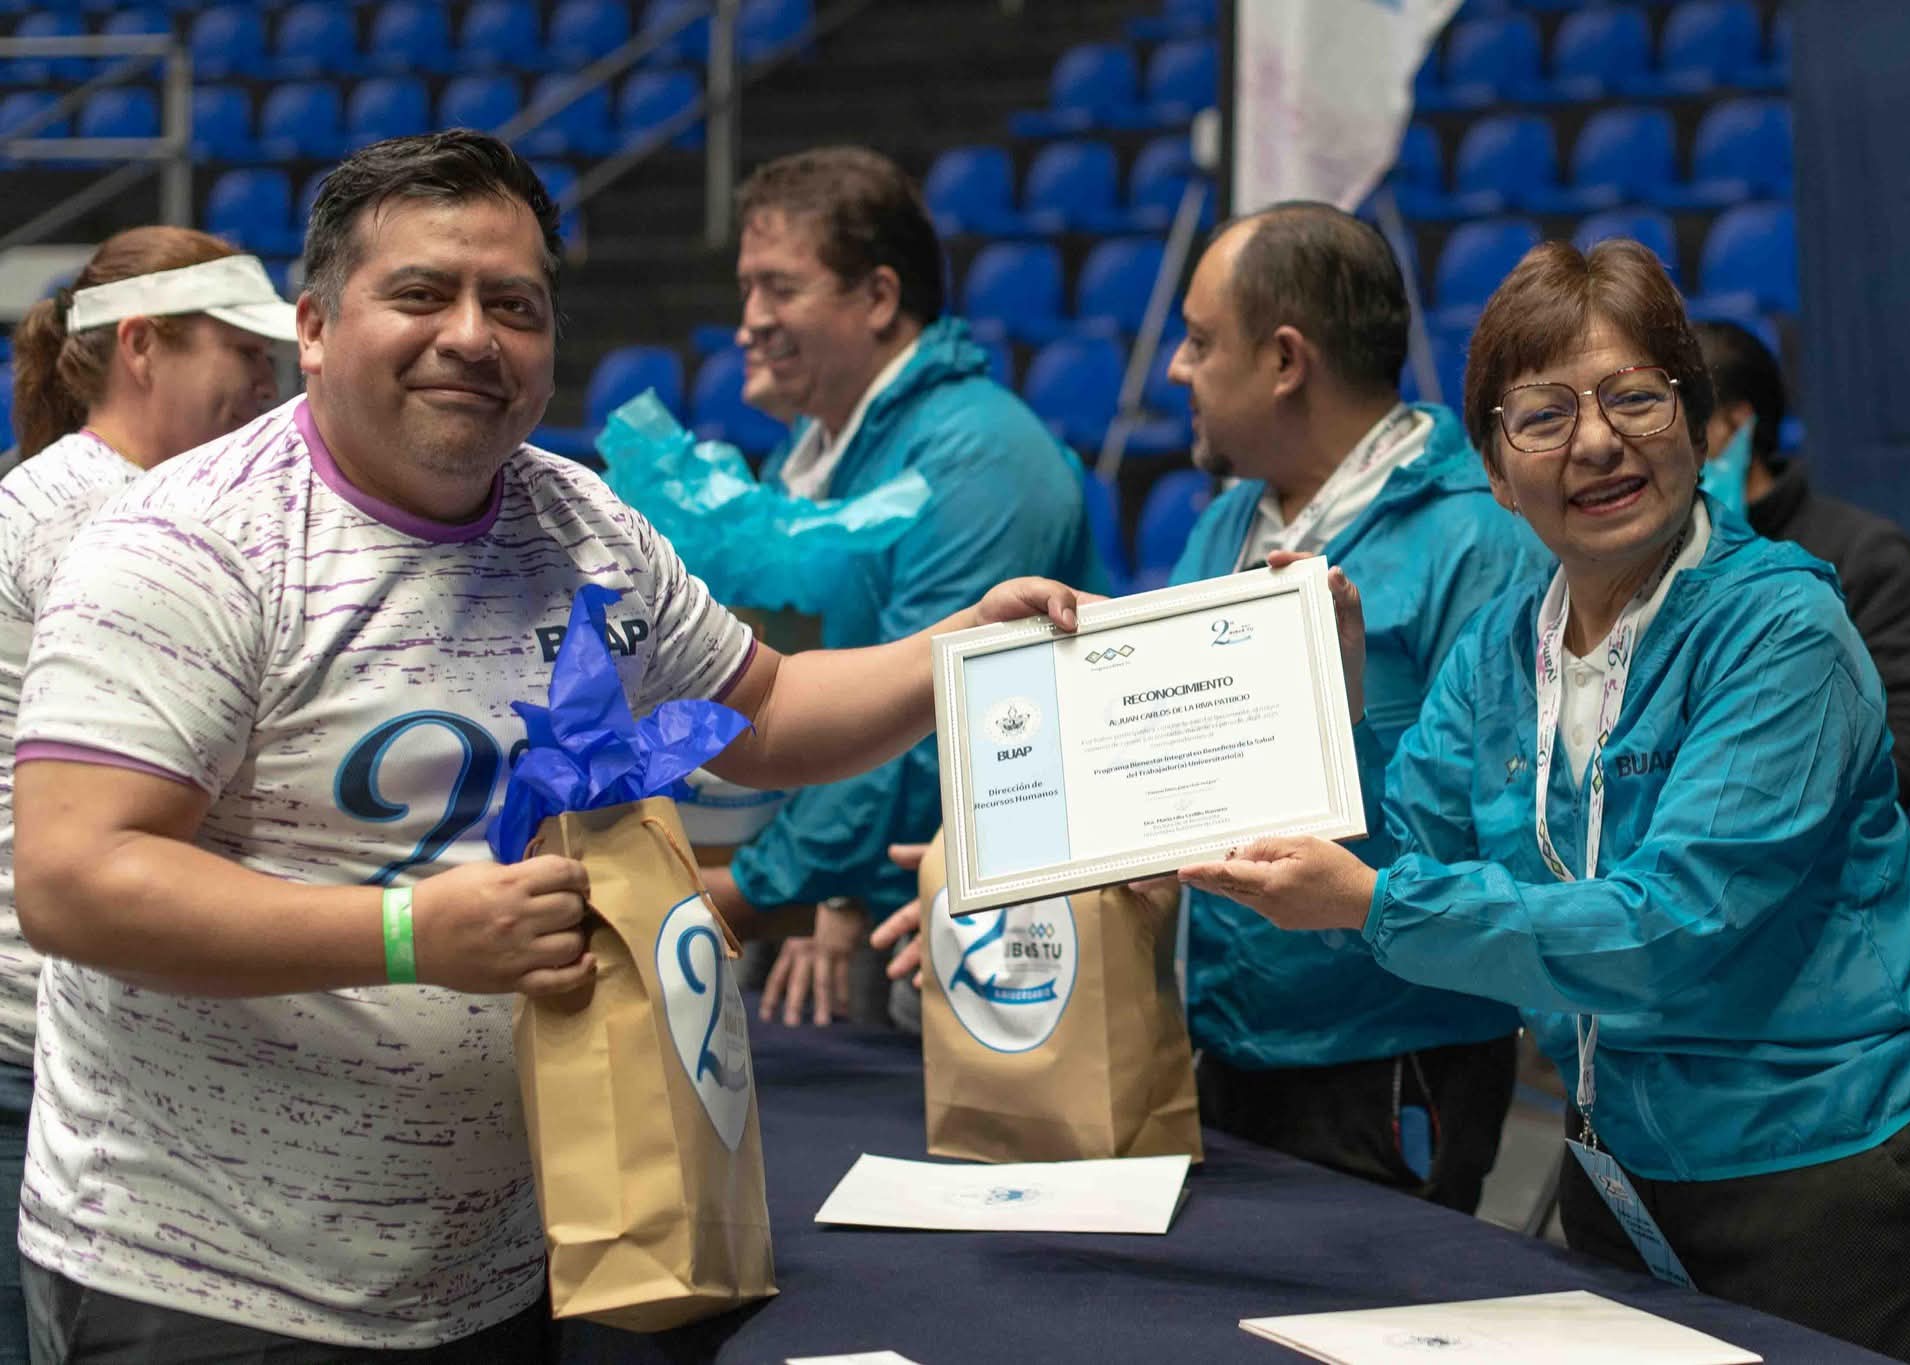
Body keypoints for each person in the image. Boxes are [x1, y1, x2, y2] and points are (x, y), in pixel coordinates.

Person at [8, 130, 1087, 1362]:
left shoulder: (581, 524)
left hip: (510, 1266)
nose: (472, 334)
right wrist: (413, 932)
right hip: (212, 1283)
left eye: (512, 304)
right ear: (312, 327)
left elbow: (769, 710)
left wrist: (958, 651)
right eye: (420, 292)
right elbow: (79, 877)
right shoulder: (185, 546)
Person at [1181, 240, 1910, 1365]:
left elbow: (1669, 931)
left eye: (1632, 399)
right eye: (1542, 416)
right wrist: (1335, 711)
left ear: (1701, 430)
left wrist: (1367, 904)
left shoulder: (1779, 632)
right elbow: (1405, 846)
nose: (1594, 441)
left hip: (1817, 1172)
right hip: (1614, 1169)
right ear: (1496, 473)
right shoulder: (1501, 651)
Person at [1156, 202, 1547, 1210]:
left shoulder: (1479, 544)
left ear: (1286, 360)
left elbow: (1498, 845)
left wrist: (1344, 722)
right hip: (1223, 1040)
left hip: (1383, 1057)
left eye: (1199, 342)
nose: (1174, 369)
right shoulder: (1222, 527)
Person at [701, 146, 1104, 1028]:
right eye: (746, 290)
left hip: (964, 935)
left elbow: (930, 719)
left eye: (780, 289)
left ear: (878, 298)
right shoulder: (814, 454)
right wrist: (800, 884)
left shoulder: (976, 456)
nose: (749, 321)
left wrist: (756, 889)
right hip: (843, 897)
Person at [0, 228, 292, 1365]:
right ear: (141, 348)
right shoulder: (104, 521)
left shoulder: (91, 496)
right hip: (45, 1041)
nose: (267, 387)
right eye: (239, 353)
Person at [1694, 319, 1910, 807]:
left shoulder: (1861, 551)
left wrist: (1782, 798)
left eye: (1683, 419)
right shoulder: (1654, 560)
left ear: (1737, 425)